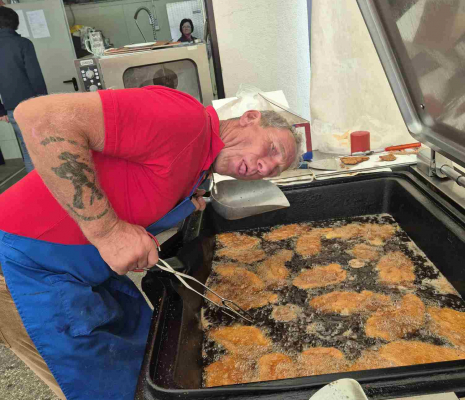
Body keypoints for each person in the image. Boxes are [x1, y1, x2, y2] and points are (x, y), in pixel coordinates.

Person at [0, 85, 301, 400]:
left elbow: (134, 182)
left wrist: (180, 201)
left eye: (275, 170)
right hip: (24, 267)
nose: (266, 167)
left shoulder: (200, 164)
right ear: (249, 118)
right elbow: (41, 117)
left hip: (84, 274)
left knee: (151, 370)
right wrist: (107, 231)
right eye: (272, 149)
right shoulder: (184, 120)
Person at [0, 6, 48, 173]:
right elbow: (35, 76)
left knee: (27, 148)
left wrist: (1, 110)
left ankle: (35, 184)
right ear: (15, 23)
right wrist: (44, 101)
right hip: (32, 105)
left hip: (12, 108)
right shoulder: (23, 44)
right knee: (42, 146)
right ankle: (48, 183)